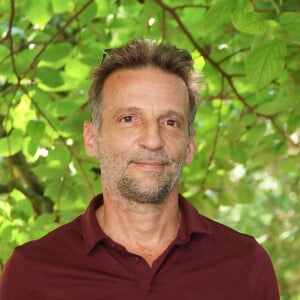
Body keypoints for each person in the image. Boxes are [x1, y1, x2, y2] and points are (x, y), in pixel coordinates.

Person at [0, 39, 279, 299]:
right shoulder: (32, 273)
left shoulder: (245, 266)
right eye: (129, 119)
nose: (152, 140)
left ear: (190, 145)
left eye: (170, 122)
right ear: (91, 139)